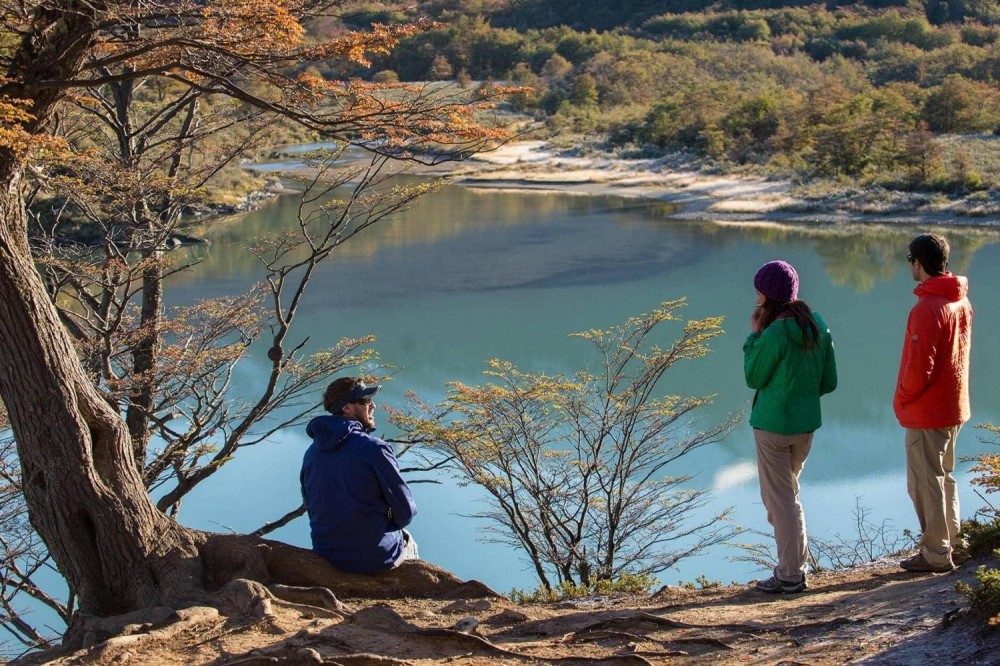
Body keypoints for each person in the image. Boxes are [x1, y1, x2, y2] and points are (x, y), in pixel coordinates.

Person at [744, 260, 837, 594]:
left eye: (758, 292)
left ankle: (790, 575)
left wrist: (753, 338)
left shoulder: (774, 334)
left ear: (768, 296)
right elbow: (829, 381)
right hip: (805, 426)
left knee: (780, 502)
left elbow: (753, 377)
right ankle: (797, 564)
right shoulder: (817, 325)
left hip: (772, 427)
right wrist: (802, 396)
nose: (755, 297)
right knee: (789, 497)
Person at [894, 233, 973, 574]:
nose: (909, 265)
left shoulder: (927, 308)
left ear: (919, 263)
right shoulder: (960, 301)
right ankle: (954, 542)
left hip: (928, 411)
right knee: (944, 477)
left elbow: (918, 369)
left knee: (925, 481)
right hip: (954, 405)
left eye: (909, 259)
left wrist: (903, 399)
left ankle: (936, 554)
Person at [301, 376, 418, 574]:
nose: (372, 405)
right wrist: (385, 525)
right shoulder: (374, 449)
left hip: (327, 552)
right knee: (407, 539)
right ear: (346, 408)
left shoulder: (312, 453)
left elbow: (311, 505)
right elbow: (406, 512)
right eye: (365, 401)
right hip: (373, 556)